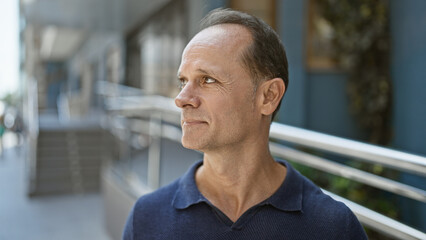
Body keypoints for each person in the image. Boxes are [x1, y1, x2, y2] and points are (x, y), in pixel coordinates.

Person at [123, 8, 367, 239]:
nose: (181, 99)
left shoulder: (333, 228)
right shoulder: (146, 218)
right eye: (183, 81)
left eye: (207, 79)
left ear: (268, 96)